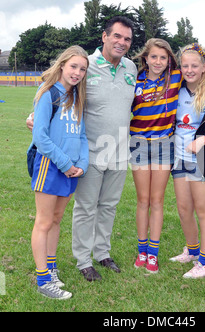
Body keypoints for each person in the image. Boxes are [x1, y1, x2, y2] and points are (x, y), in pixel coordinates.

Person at [27, 17, 137, 282]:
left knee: (109, 206)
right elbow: (58, 93)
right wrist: (32, 115)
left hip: (120, 152)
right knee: (86, 208)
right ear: (105, 36)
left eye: (127, 39)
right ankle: (83, 260)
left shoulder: (131, 67)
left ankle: (103, 252)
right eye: (117, 36)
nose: (122, 42)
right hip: (87, 153)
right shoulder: (85, 64)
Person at [30, 45, 89, 299]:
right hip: (50, 167)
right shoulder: (47, 93)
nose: (77, 72)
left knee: (56, 220)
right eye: (73, 66)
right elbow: (40, 137)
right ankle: (43, 280)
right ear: (63, 64)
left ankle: (51, 269)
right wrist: (65, 164)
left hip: (71, 170)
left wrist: (82, 164)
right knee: (43, 222)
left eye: (82, 69)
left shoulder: (77, 97)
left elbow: (83, 135)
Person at [169, 43, 205, 279]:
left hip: (204, 158)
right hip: (179, 157)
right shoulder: (176, 88)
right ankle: (192, 251)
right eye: (185, 65)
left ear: (204, 67)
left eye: (195, 65)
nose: (189, 70)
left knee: (204, 211)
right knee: (184, 209)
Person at [130, 38, 182, 273]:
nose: (158, 61)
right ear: (146, 58)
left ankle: (153, 254)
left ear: (169, 59)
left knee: (157, 201)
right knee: (143, 200)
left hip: (164, 145)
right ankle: (141, 251)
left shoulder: (176, 77)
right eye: (154, 57)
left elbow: (202, 66)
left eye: (163, 57)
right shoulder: (134, 80)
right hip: (138, 144)